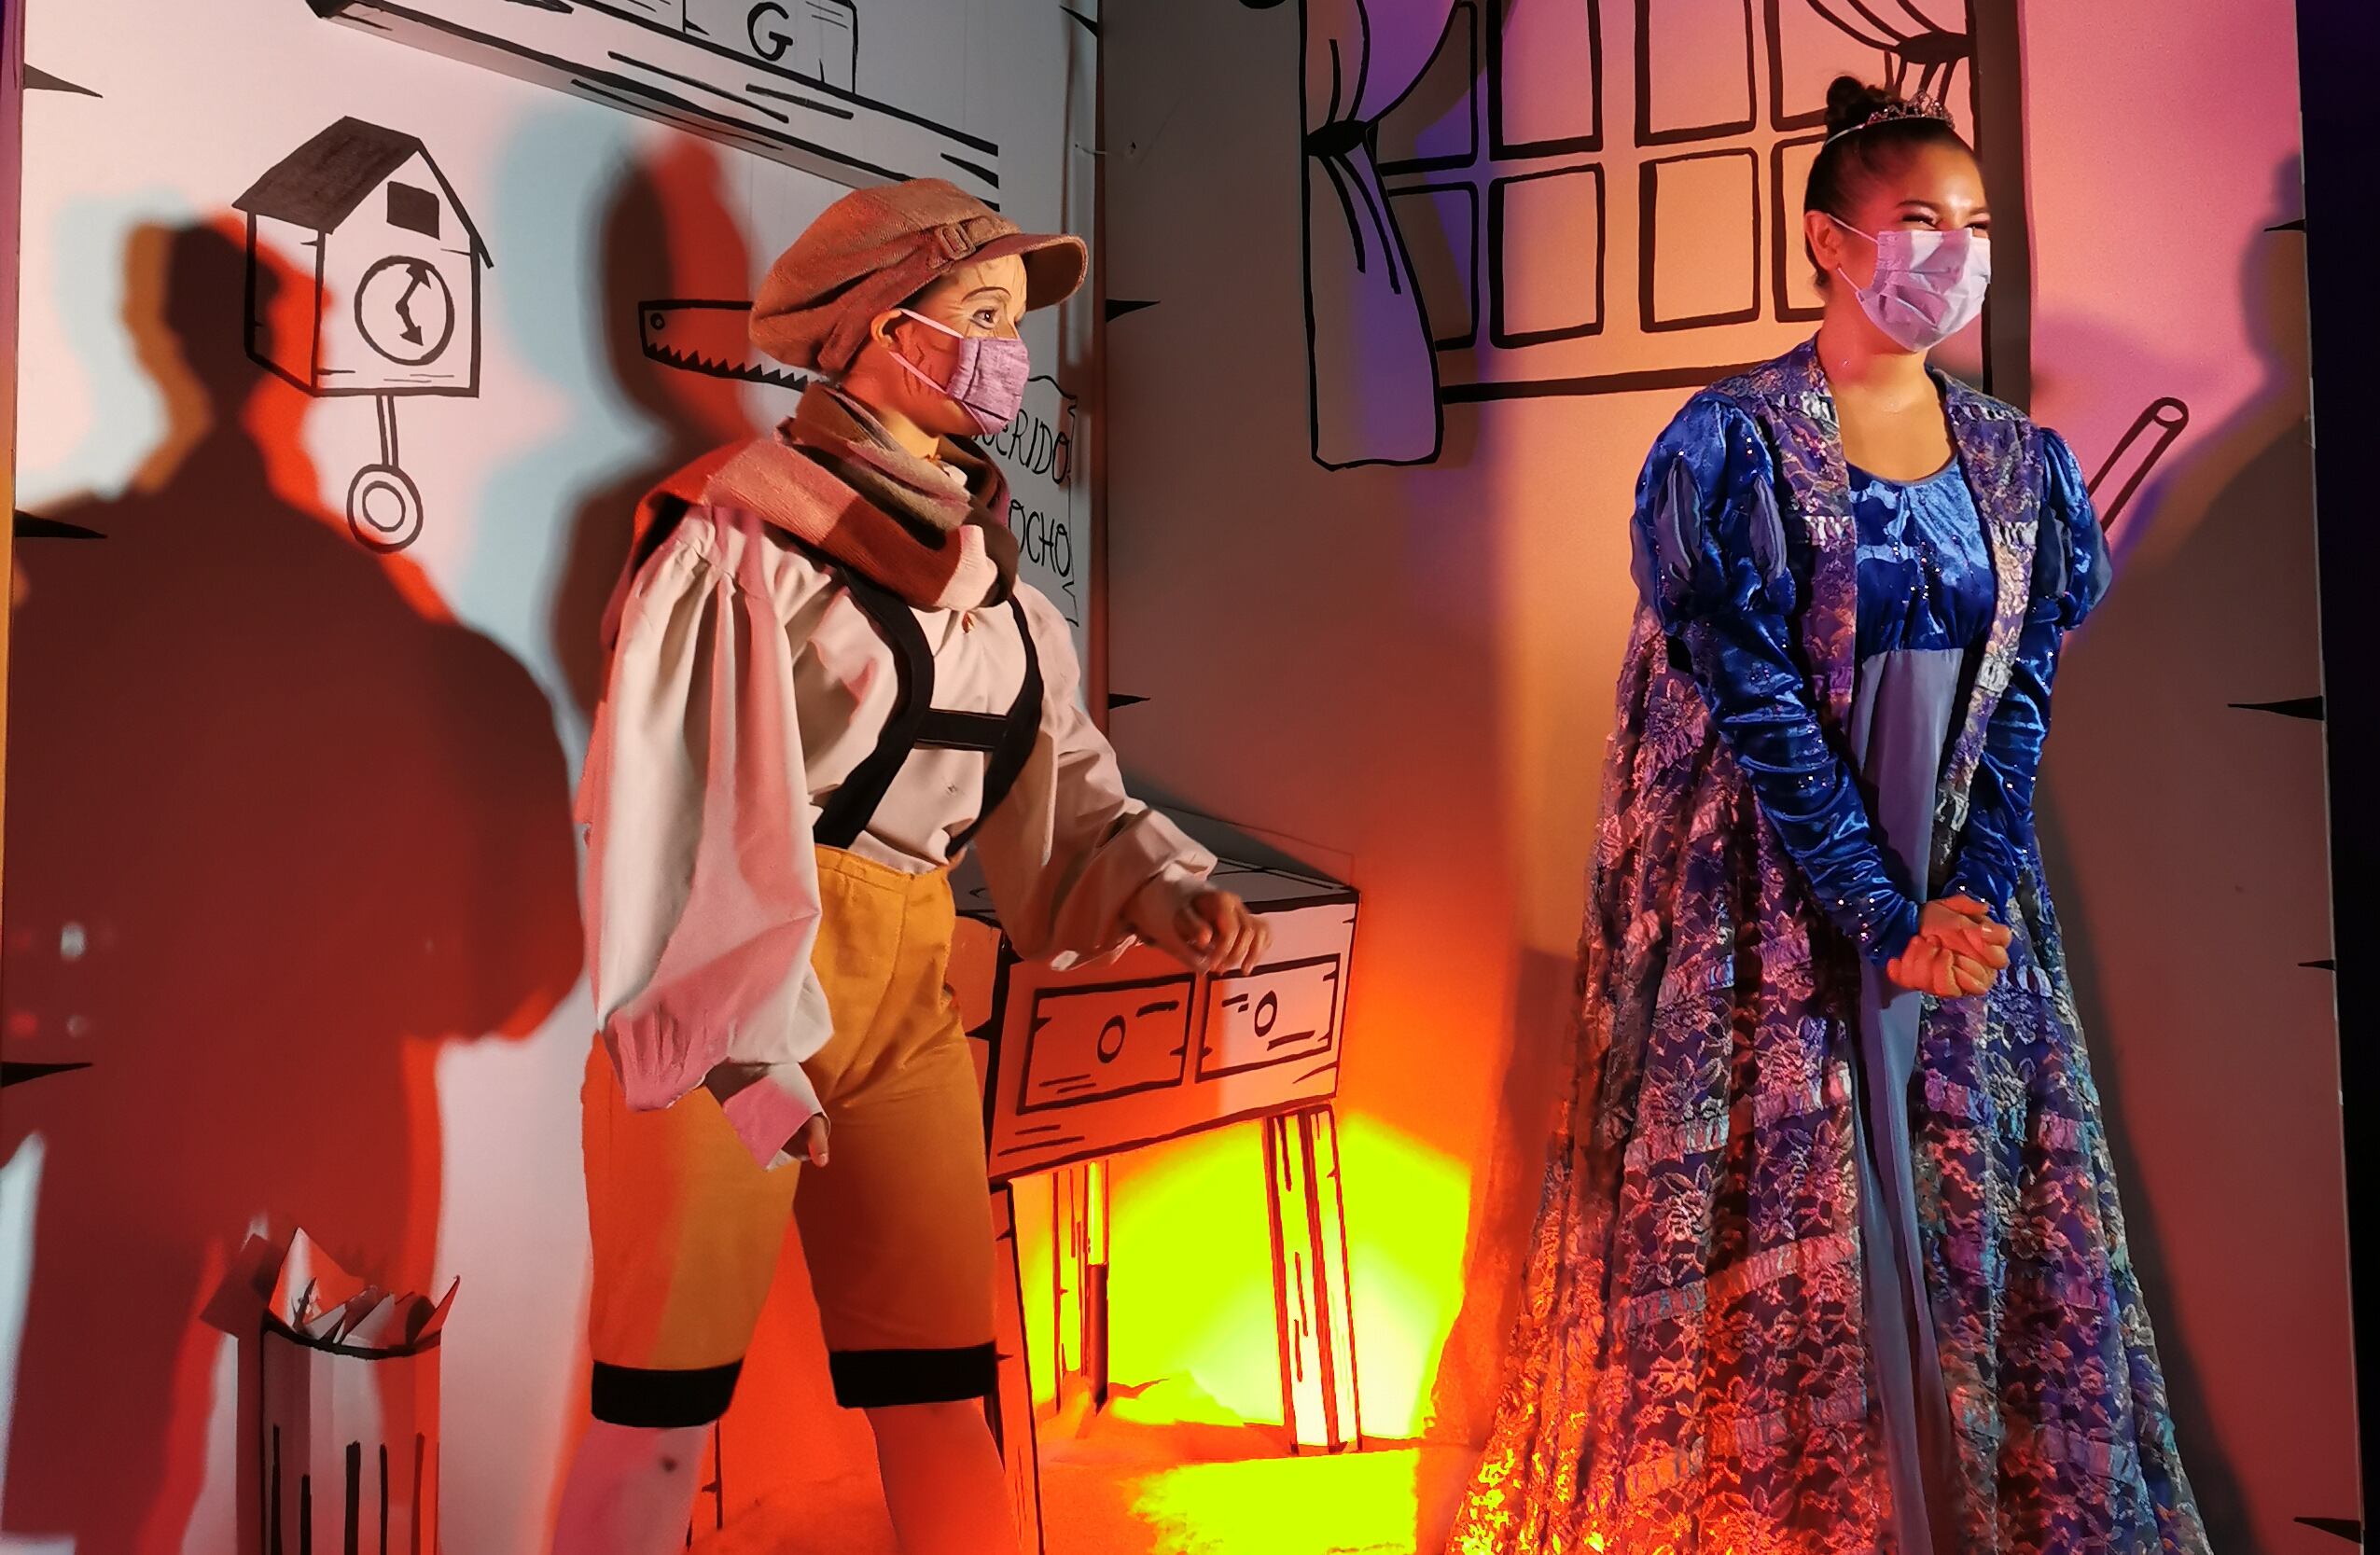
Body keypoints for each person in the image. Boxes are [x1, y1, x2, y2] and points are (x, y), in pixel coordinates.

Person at [1446, 80, 2212, 1555]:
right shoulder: (1732, 441)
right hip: (1774, 891)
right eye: (1921, 220)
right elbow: (1752, 699)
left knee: (1961, 1199)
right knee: (1797, 1208)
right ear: (1828, 238)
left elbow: (2021, 693)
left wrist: (1966, 899)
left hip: (1959, 890)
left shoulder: (2020, 462)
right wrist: (1879, 908)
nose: (1954, 254)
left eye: (1974, 225)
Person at [552, 178, 1272, 1555]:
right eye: (981, 315)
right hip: (723, 999)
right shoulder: (737, 540)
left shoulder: (996, 586)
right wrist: (741, 1059)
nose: (1010, 352)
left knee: (941, 1385)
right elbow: (666, 819)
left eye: (1012, 322)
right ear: (884, 329)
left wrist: (1160, 886)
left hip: (909, 996)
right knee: (660, 1418)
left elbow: (1064, 784)